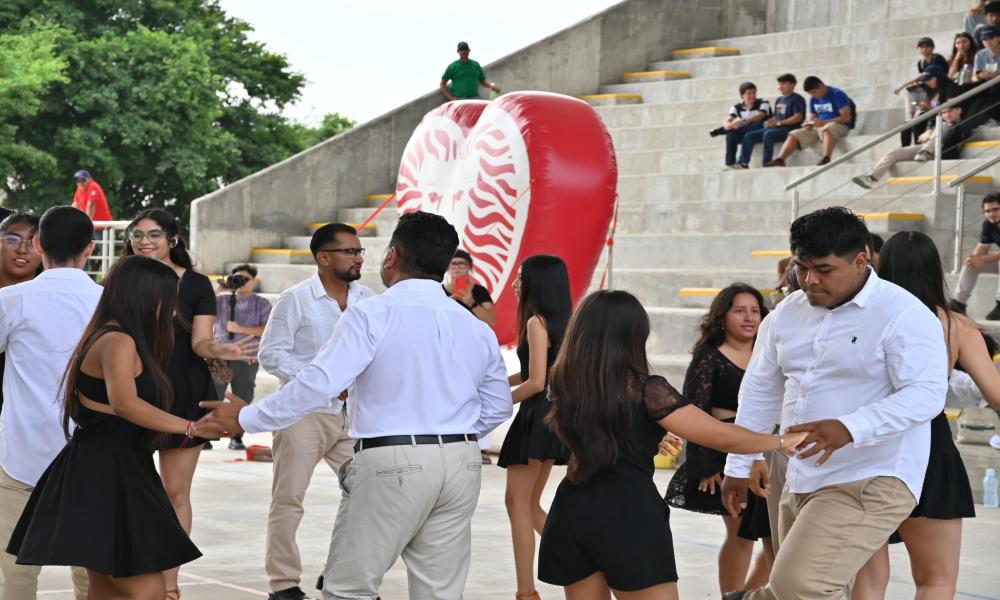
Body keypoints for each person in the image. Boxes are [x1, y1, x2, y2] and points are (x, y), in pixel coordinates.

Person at [198, 211, 514, 600]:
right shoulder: (475, 327)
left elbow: (320, 382)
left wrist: (245, 417)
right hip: (461, 458)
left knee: (349, 589)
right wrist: (448, 433)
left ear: (391, 256)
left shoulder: (372, 312)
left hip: (394, 457)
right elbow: (498, 406)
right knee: (440, 592)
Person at [719, 207, 948, 600]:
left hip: (873, 475)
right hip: (797, 473)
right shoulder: (786, 314)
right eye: (801, 267)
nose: (809, 280)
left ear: (861, 260)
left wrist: (849, 427)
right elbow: (761, 390)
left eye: (823, 269)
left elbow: (926, 394)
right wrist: (739, 464)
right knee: (817, 592)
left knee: (797, 587)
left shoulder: (903, 313)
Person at [536, 290, 804, 600]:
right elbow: (720, 435)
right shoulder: (647, 389)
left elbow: (604, 428)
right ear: (633, 334)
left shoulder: (564, 384)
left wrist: (650, 433)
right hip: (628, 514)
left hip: (573, 510)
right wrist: (780, 440)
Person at [6, 255, 203, 600]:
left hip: (114, 467)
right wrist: (190, 427)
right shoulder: (117, 340)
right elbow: (125, 403)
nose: (171, 311)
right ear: (147, 297)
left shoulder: (113, 335)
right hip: (105, 472)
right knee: (146, 589)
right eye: (168, 299)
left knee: (105, 588)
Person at [850, 230, 1000, 600]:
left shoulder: (860, 316)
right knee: (936, 580)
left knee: (867, 581)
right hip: (928, 444)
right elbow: (995, 394)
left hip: (868, 440)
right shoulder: (956, 325)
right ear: (935, 270)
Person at [123, 208, 255, 599]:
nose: (144, 241)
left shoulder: (196, 283)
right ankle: (131, 571)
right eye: (137, 234)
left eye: (154, 235)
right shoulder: (122, 278)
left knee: (175, 492)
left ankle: (169, 583)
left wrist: (220, 347)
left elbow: (200, 341)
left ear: (173, 239)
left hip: (181, 388)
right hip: (129, 386)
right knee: (126, 488)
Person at [256, 223, 374, 600]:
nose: (359, 257)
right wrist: (319, 381)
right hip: (302, 413)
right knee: (289, 500)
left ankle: (340, 575)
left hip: (355, 417)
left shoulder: (369, 299)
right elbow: (271, 354)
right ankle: (284, 584)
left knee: (367, 494)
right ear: (324, 257)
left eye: (359, 251)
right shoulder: (295, 299)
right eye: (349, 251)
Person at [0, 206, 100, 600]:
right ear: (90, 249)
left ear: (39, 245)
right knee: (92, 573)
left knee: (15, 574)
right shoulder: (110, 302)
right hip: (88, 452)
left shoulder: (13, 299)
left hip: (19, 452)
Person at [664, 284, 773, 595]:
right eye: (739, 311)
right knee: (740, 536)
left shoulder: (769, 354)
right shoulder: (708, 357)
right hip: (725, 457)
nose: (749, 318)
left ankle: (746, 596)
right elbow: (695, 414)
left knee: (775, 537)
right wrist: (708, 466)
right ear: (722, 317)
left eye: (755, 311)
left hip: (767, 453)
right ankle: (732, 594)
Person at [497, 255, 572, 599]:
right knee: (530, 506)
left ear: (537, 283)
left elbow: (536, 382)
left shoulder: (536, 323)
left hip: (535, 416)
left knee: (517, 504)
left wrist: (496, 401)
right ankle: (580, 562)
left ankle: (526, 591)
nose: (514, 283)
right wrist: (495, 382)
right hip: (552, 418)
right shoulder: (561, 322)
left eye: (521, 277)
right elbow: (532, 373)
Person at [443, 249, 498, 463]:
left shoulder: (479, 291)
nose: (457, 267)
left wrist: (470, 302)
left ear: (470, 267)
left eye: (461, 264)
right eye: (453, 263)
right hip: (445, 349)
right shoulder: (439, 291)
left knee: (475, 394)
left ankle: (480, 445)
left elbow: (491, 320)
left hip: (471, 350)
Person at [213, 264, 272, 451]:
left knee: (242, 396)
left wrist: (240, 329)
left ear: (254, 281)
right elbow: (203, 312)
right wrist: (223, 286)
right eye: (236, 278)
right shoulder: (221, 299)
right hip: (220, 355)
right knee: (212, 393)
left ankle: (237, 436)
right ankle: (207, 433)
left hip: (246, 356)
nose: (241, 282)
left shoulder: (261, 303)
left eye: (245, 279)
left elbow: (267, 330)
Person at [852, 103, 969, 189]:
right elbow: (922, 137)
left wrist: (931, 133)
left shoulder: (964, 124)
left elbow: (959, 136)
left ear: (959, 110)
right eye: (944, 112)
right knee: (895, 152)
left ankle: (925, 153)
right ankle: (871, 178)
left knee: (943, 126)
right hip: (924, 148)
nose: (947, 114)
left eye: (950, 111)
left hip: (941, 151)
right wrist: (929, 132)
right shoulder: (939, 124)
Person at [0, 212, 43, 416]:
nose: (22, 249)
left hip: (33, 419)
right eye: (12, 239)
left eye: (34, 242)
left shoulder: (51, 299)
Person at [765, 76, 854, 167]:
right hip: (819, 126)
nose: (813, 95)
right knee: (794, 134)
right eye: (811, 93)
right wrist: (809, 124)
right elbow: (813, 118)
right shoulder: (813, 99)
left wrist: (825, 122)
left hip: (839, 125)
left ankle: (826, 158)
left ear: (820, 86)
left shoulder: (837, 94)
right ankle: (780, 160)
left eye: (814, 92)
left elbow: (846, 118)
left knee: (827, 128)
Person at [737, 74, 806, 168]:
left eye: (784, 83)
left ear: (792, 85)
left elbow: (798, 117)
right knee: (749, 135)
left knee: (769, 134)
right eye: (779, 84)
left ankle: (767, 162)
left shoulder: (797, 99)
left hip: (791, 129)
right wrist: (771, 121)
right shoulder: (779, 99)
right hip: (777, 128)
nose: (780, 86)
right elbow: (777, 116)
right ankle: (743, 163)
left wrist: (779, 123)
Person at [951, 193, 1000, 320]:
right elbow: (982, 249)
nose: (991, 214)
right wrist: (972, 258)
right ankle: (958, 304)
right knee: (971, 264)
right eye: (987, 211)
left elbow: (984, 257)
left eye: (995, 209)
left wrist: (982, 259)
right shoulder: (988, 224)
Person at [709, 82, 771, 169]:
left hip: (760, 131)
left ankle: (719, 131)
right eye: (749, 93)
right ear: (742, 95)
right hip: (744, 131)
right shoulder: (736, 107)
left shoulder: (763, 103)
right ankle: (730, 164)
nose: (752, 95)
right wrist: (727, 125)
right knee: (731, 135)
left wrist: (743, 121)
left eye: (754, 92)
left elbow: (760, 116)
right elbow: (729, 118)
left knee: (756, 124)